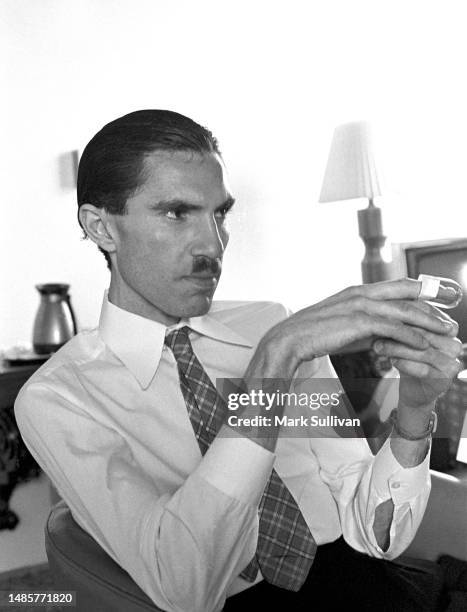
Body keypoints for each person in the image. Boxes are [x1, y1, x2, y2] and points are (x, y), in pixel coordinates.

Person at [15, 110, 462, 612]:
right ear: (101, 227)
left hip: (365, 585)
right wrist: (273, 365)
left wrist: (416, 408)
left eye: (219, 214)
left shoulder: (269, 322)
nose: (213, 244)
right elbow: (186, 587)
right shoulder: (61, 397)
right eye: (176, 213)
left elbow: (368, 527)